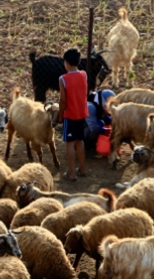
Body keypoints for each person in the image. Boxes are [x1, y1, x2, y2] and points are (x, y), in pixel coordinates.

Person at [57, 48, 88, 182]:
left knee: (69, 143)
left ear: (66, 63)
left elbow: (63, 100)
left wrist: (60, 116)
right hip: (82, 113)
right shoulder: (84, 75)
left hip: (70, 115)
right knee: (80, 141)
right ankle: (82, 169)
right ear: (79, 61)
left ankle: (71, 174)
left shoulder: (63, 79)